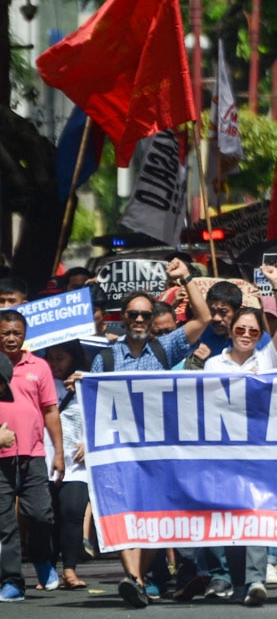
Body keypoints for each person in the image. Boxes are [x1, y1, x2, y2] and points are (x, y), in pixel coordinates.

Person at [87, 257, 211, 608]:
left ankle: (139, 578)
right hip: (121, 448)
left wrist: (185, 278)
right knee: (127, 512)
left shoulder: (164, 347)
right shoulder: (106, 360)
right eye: (133, 315)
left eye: (145, 315)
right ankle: (134, 578)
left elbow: (202, 319)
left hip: (159, 447)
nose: (139, 320)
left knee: (153, 515)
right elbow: (95, 404)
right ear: (122, 318)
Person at [203, 265, 277, 607]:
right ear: (231, 331)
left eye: (253, 332)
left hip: (259, 451)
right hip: (223, 451)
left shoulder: (268, 359)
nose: (245, 334)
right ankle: (238, 582)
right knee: (231, 516)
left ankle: (256, 581)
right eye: (240, 329)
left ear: (259, 337)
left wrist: (276, 285)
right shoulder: (213, 365)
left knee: (254, 512)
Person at [0, 313, 64, 602]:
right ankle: (12, 581)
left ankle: (42, 560)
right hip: (1, 457)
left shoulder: (39, 366)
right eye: (5, 333)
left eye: (16, 332)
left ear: (25, 334)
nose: (11, 338)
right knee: (5, 525)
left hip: (34, 454)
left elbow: (50, 410)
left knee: (40, 514)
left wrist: (59, 453)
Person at [43, 341, 90, 591]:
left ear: (73, 358)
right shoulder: (39, 380)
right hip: (45, 458)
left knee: (73, 513)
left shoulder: (87, 382)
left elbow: (102, 415)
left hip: (76, 461)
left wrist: (90, 442)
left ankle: (70, 570)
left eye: (60, 358)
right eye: (50, 358)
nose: (55, 364)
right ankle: (47, 569)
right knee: (46, 517)